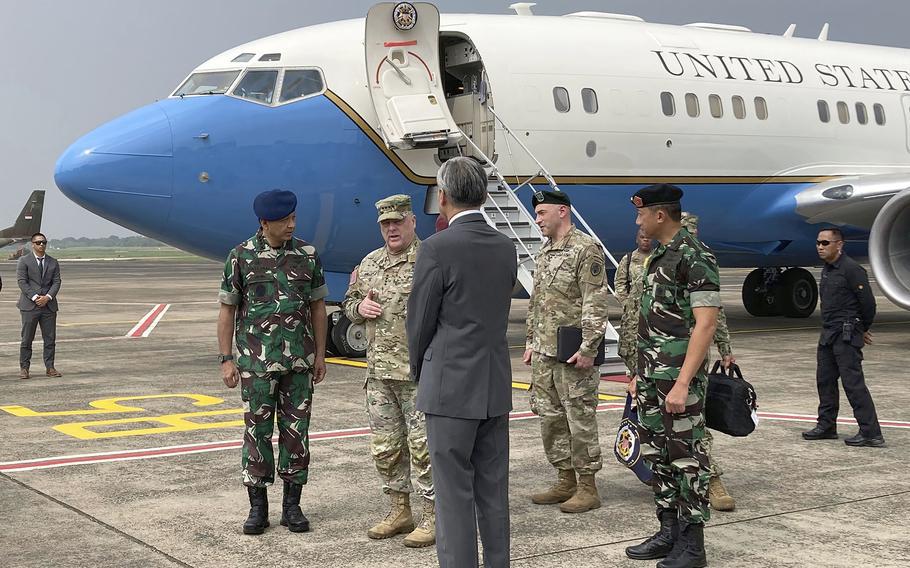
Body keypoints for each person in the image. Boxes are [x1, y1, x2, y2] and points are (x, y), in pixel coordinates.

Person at [407, 156, 517, 568]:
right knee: (493, 490)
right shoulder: (505, 247)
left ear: (444, 195)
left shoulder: (436, 249)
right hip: (493, 385)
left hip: (449, 387)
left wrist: (421, 372)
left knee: (453, 494)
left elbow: (419, 322)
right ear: (485, 195)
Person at [217, 189, 328, 535]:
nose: (292, 225)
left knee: (297, 434)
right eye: (284, 221)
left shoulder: (307, 256)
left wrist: (320, 354)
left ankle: (292, 507)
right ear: (265, 223)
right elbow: (227, 310)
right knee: (257, 433)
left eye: (294, 218)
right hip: (256, 365)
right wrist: (226, 359)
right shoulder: (241, 256)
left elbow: (317, 308)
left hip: (299, 363)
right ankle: (257, 509)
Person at [625, 184, 720, 568]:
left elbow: (705, 325)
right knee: (658, 456)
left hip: (678, 380)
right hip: (651, 377)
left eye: (642, 214)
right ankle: (669, 532)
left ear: (660, 215)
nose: (638, 220)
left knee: (686, 459)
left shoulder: (695, 257)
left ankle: (693, 547)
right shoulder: (658, 257)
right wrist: (638, 374)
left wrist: (682, 383)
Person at [342, 194, 435, 548]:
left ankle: (432, 516)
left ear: (412, 221)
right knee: (385, 447)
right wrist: (357, 307)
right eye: (385, 224)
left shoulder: (429, 260)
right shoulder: (369, 263)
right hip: (379, 375)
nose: (392, 228)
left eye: (398, 221)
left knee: (424, 448)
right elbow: (351, 301)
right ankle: (400, 510)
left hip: (416, 374)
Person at [523, 189, 610, 514]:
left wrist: (589, 347)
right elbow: (537, 301)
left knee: (579, 417)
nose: (537, 219)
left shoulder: (585, 249)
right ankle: (565, 479)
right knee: (550, 417)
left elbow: (595, 302)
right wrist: (531, 340)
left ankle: (588, 486)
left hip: (573, 352)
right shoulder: (545, 252)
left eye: (542, 213)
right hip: (545, 351)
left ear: (562, 211)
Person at [803, 228, 883, 447]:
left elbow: (868, 304)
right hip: (828, 332)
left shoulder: (852, 269)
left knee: (853, 384)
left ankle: (871, 433)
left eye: (825, 243)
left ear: (839, 244)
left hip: (846, 333)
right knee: (825, 380)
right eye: (818, 242)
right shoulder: (827, 270)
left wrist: (862, 328)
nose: (820, 246)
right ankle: (826, 425)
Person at [680, 212, 736, 512]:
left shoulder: (701, 260)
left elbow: (715, 312)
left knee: (695, 420)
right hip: (659, 355)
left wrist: (725, 348)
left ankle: (711, 479)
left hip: (694, 353)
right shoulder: (645, 260)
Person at [17, 232, 62, 379]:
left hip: (48, 306)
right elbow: (22, 282)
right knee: (27, 339)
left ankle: (50, 367)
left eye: (43, 242)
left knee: (50, 339)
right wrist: (36, 297)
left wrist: (48, 297)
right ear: (32, 244)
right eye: (38, 242)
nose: (41, 244)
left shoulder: (53, 262)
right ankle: (24, 368)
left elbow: (57, 282)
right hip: (30, 306)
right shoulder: (24, 261)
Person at [616, 229, 653, 377]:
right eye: (642, 237)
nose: (645, 240)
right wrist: (626, 303)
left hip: (651, 312)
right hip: (632, 314)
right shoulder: (629, 258)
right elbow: (620, 283)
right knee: (630, 347)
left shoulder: (657, 258)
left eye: (648, 237)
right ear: (637, 239)